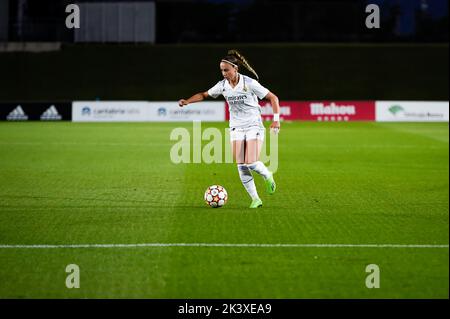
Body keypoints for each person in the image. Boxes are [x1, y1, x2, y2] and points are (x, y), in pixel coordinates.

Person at [178, 50, 280, 208]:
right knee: (241, 164)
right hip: (236, 127)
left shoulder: (249, 83)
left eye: (226, 70)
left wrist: (276, 120)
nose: (224, 73)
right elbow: (204, 95)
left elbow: (273, 98)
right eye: (221, 70)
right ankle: (255, 199)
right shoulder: (222, 86)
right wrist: (188, 101)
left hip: (254, 124)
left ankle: (267, 175)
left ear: (235, 69)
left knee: (251, 162)